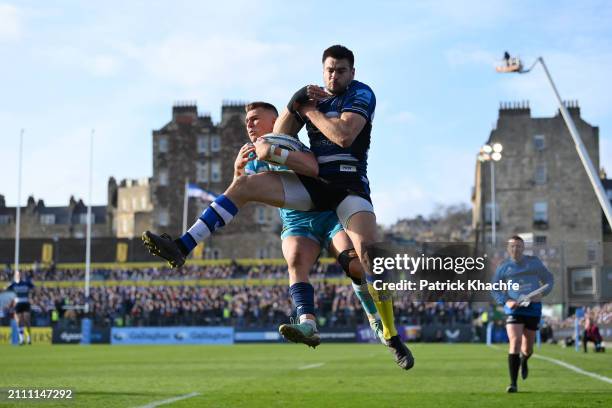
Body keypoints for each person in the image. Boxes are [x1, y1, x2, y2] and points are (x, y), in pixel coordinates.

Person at [142, 44, 414, 369]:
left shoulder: (358, 96)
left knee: (364, 261)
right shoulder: (266, 137)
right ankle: (184, 244)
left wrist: (303, 116)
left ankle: (389, 332)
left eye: (340, 70)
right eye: (329, 69)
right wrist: (290, 109)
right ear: (322, 70)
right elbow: (275, 144)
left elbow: (336, 141)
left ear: (351, 73)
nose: (333, 75)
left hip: (344, 191)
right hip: (304, 208)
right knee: (282, 241)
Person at [236, 101, 385, 349]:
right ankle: (307, 323)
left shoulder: (292, 143)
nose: (249, 126)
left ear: (276, 121)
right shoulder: (250, 158)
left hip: (325, 213)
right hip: (296, 221)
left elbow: (313, 168)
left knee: (356, 266)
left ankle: (373, 316)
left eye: (255, 119)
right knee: (295, 261)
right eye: (247, 121)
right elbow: (240, 192)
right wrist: (237, 171)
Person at [491, 235, 554, 393]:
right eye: (512, 246)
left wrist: (543, 292)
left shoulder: (534, 262)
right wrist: (506, 301)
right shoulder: (504, 267)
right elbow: (495, 288)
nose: (515, 249)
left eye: (518, 246)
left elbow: (549, 279)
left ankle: (524, 360)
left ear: (523, 248)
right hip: (514, 309)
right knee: (515, 341)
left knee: (528, 349)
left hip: (533, 308)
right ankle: (513, 383)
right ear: (508, 248)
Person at [6, 270, 35, 345]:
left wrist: (31, 296)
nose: (19, 275)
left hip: (25, 303)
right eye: (18, 274)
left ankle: (28, 338)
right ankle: (21, 339)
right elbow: (7, 291)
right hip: (18, 303)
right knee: (19, 321)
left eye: (20, 274)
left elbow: (34, 288)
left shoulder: (26, 283)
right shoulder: (13, 284)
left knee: (27, 320)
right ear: (15, 276)